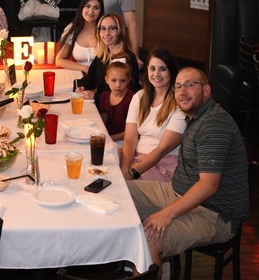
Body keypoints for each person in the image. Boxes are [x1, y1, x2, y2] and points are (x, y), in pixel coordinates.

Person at [127, 67, 249, 271]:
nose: (182, 92)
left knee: (148, 239)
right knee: (118, 194)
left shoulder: (214, 124)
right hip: (177, 192)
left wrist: (167, 214)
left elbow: (209, 185)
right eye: (178, 87)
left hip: (215, 214)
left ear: (207, 90)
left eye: (190, 85)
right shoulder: (195, 117)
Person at [121, 47, 186, 182]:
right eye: (152, 68)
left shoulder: (179, 103)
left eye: (162, 69)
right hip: (137, 160)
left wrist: (131, 173)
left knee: (118, 187)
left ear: (171, 72)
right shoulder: (140, 96)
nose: (156, 74)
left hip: (162, 164)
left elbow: (163, 149)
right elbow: (129, 139)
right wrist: (123, 171)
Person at [77, 13, 141, 106]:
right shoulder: (103, 55)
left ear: (120, 31)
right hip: (102, 106)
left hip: (118, 112)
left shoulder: (127, 59)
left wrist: (95, 96)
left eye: (112, 28)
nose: (107, 33)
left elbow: (122, 95)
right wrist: (82, 86)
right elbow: (91, 77)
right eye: (103, 28)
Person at [55, 0, 103, 74]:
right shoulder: (72, 29)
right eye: (87, 6)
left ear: (101, 11)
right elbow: (59, 60)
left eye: (96, 8)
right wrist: (86, 69)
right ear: (82, 8)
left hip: (103, 76)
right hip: (80, 76)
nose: (91, 11)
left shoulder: (105, 29)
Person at [99, 56, 135, 142]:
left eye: (122, 81)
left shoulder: (132, 99)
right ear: (106, 79)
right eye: (114, 80)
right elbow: (103, 121)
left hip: (125, 140)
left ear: (128, 80)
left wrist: (108, 139)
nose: (118, 85)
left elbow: (131, 132)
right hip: (107, 136)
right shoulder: (104, 96)